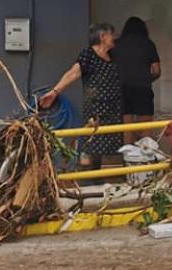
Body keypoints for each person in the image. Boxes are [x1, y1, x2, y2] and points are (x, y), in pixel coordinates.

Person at [38, 23, 122, 170]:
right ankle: (88, 177)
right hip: (96, 108)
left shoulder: (113, 55)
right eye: (111, 34)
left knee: (107, 146)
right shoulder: (88, 54)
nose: (114, 38)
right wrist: (55, 92)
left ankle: (101, 176)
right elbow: (73, 73)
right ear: (102, 37)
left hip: (113, 109)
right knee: (92, 144)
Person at [112, 16, 161, 144]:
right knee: (145, 127)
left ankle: (128, 159)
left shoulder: (117, 44)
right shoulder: (148, 44)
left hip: (121, 87)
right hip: (142, 87)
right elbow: (156, 70)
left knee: (127, 127)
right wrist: (147, 79)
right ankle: (145, 157)